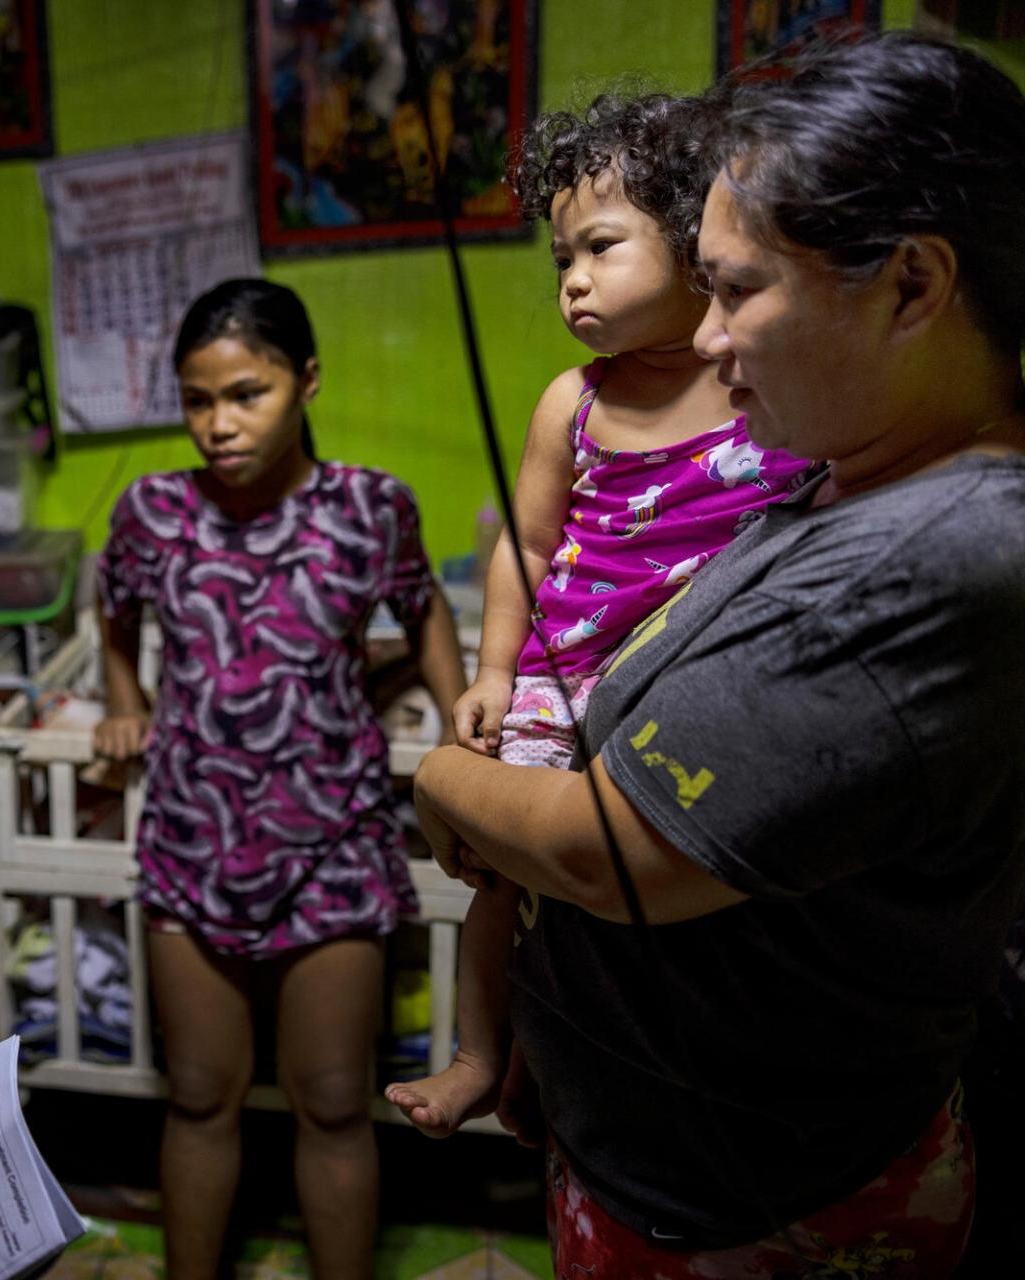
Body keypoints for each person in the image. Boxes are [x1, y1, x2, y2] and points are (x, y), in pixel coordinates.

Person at [411, 33, 1025, 1276]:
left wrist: (437, 781)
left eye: (738, 291)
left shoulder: (933, 556)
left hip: (749, 1200)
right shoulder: (856, 477)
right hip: (657, 1147)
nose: (705, 338)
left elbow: (606, 847)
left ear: (912, 285)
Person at [385, 91, 813, 1138]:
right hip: (564, 674)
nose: (572, 279)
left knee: (662, 898)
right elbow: (523, 549)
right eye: (559, 259)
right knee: (508, 868)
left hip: (694, 693)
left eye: (601, 247)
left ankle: (570, 1059)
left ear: (698, 239)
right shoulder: (570, 401)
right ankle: (485, 1054)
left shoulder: (762, 384)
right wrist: (491, 676)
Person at [93, 279, 468, 1280]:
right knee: (202, 1095)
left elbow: (423, 606)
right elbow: (114, 605)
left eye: (245, 394)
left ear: (306, 381)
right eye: (197, 400)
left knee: (336, 1099)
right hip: (190, 833)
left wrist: (461, 711)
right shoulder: (152, 510)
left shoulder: (369, 506)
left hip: (334, 839)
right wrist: (123, 697)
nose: (218, 424)